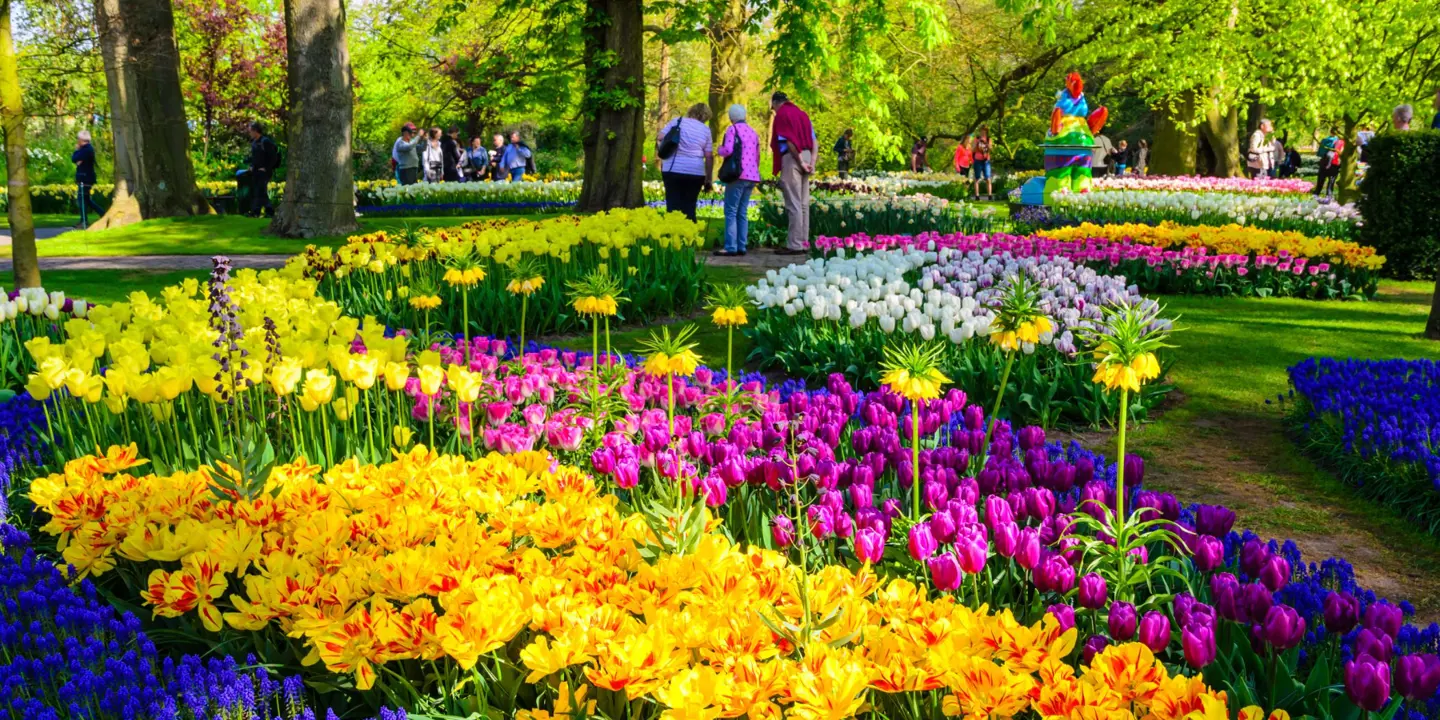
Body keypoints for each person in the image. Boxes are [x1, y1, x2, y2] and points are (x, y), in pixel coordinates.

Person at [769, 91, 815, 255]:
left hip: (793, 156)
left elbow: (789, 140)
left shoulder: (783, 114)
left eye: (772, 107)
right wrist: (811, 162)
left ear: (775, 103)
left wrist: (800, 161)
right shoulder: (802, 114)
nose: (773, 110)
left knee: (793, 202)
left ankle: (794, 244)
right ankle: (803, 242)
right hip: (808, 154)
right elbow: (814, 140)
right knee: (803, 204)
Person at [714, 103, 761, 256]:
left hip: (737, 174)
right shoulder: (753, 132)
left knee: (731, 211)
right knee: (742, 212)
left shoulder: (732, 129)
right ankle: (742, 245)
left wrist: (718, 150)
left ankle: (730, 247)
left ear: (731, 117)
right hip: (752, 175)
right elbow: (757, 155)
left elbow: (728, 150)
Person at [657, 103, 714, 221]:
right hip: (695, 172)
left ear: (691, 111)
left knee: (673, 205)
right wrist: (708, 178)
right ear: (706, 116)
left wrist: (664, 150)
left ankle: (673, 236)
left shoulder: (677, 121)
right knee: (689, 206)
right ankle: (689, 237)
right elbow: (709, 156)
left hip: (673, 169)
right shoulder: (706, 130)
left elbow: (660, 137)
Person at [245, 121, 280, 217]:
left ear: (255, 131)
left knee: (260, 190)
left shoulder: (265, 142)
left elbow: (273, 157)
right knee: (260, 191)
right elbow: (255, 157)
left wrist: (266, 168)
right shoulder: (254, 143)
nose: (250, 133)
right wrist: (252, 166)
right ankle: (268, 211)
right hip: (256, 171)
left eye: (250, 131)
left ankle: (257, 212)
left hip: (264, 171)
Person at [71, 130, 103, 228]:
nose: (77, 141)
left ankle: (84, 221)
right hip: (84, 177)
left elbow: (74, 158)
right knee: (86, 200)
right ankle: (102, 213)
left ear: (81, 140)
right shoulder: (85, 149)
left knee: (81, 199)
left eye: (78, 139)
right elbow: (75, 160)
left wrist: (77, 151)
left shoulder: (87, 150)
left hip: (85, 178)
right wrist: (78, 158)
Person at [1314, 131, 1344, 198]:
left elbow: (1320, 153)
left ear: (1331, 132)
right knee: (1331, 180)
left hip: (1325, 161)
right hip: (1334, 163)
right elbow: (1341, 153)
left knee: (1321, 179)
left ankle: (1316, 193)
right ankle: (1329, 195)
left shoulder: (1325, 140)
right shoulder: (1341, 142)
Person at [972, 126, 994, 197]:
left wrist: (986, 144)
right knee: (977, 178)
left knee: (988, 178)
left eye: (984, 131)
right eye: (981, 131)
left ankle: (990, 195)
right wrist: (978, 143)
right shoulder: (976, 139)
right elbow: (973, 150)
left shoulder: (989, 139)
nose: (982, 132)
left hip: (986, 161)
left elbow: (991, 149)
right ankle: (977, 196)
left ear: (986, 132)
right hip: (977, 160)